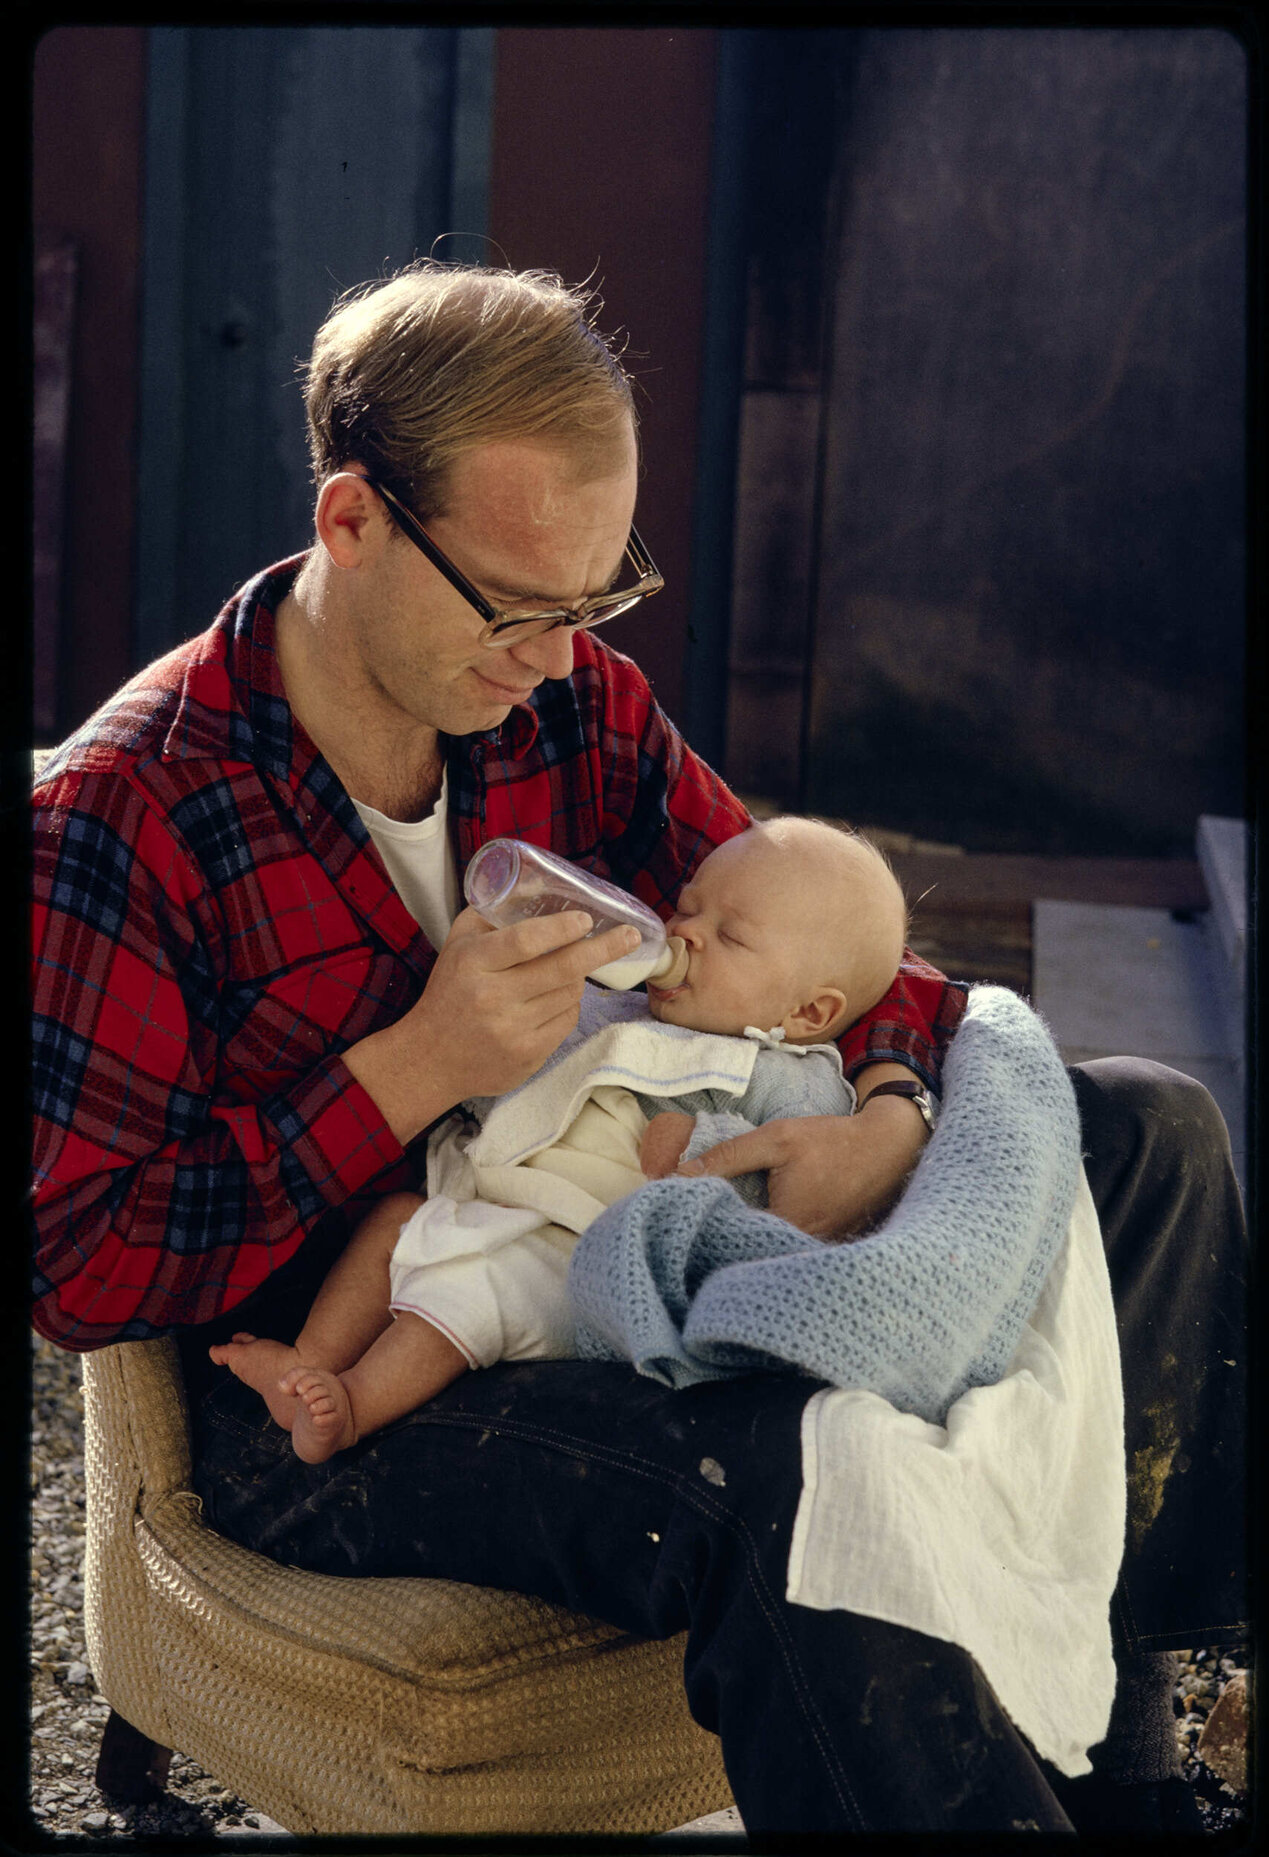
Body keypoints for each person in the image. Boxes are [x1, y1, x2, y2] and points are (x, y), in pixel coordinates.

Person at [32, 261, 1246, 1836]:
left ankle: (1126, 1765)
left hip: (626, 1248)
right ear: (352, 522)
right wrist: (409, 1067)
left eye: (597, 599)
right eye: (519, 607)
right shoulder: (122, 819)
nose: (556, 654)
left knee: (1151, 1130)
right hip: (350, 1382)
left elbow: (826, 939)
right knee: (808, 1462)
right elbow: (75, 1267)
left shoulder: (569, 711)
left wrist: (884, 1104)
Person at [204, 817, 907, 1464]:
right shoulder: (620, 1005)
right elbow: (506, 1070)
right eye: (688, 907)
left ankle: (354, 1403)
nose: (685, 933)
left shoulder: (791, 1078)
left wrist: (699, 1142)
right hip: (494, 1195)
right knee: (390, 1223)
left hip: (574, 1254)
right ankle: (307, 1363)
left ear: (809, 1010)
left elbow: (778, 1204)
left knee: (475, 1291)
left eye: (730, 936)